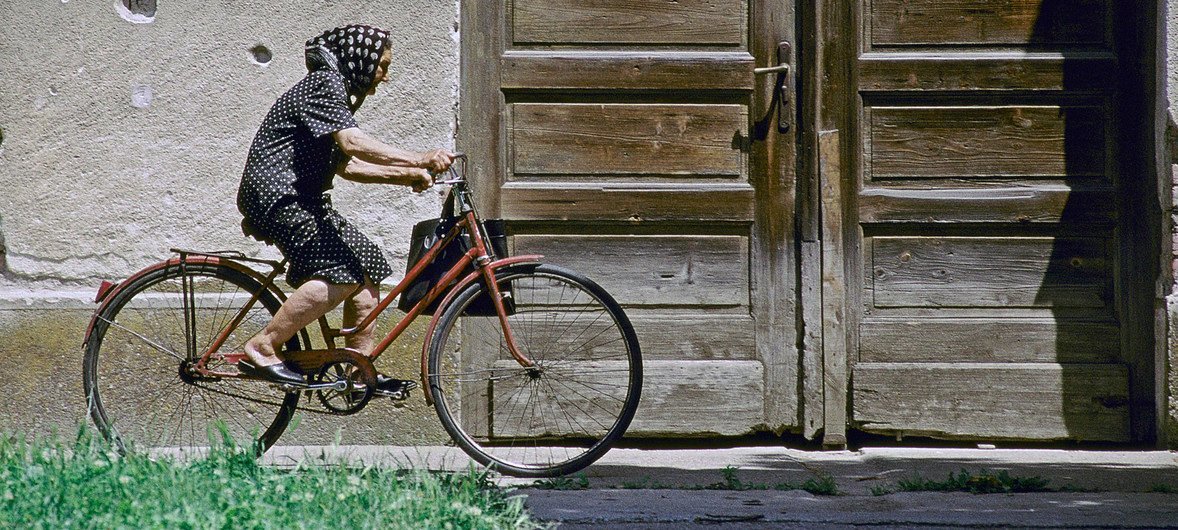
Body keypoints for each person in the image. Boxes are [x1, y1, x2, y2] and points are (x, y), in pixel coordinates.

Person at [235, 24, 454, 390]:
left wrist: (407, 174)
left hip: (304, 197)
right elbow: (353, 144)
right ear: (361, 59)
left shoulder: (336, 93)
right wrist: (420, 156)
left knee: (366, 268)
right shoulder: (326, 83)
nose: (384, 77)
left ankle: (357, 372)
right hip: (279, 194)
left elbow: (346, 165)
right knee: (341, 272)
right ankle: (262, 346)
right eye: (382, 66)